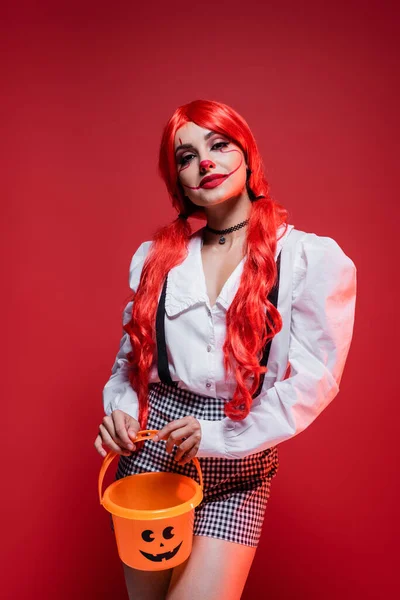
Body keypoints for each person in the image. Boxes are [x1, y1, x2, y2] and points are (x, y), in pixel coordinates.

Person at [93, 99, 357, 600]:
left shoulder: (305, 258)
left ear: (248, 156)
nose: (205, 163)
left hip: (238, 454)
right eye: (186, 156)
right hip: (151, 448)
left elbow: (314, 379)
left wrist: (218, 435)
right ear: (178, 180)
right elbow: (131, 364)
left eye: (218, 145)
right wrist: (121, 413)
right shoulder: (158, 259)